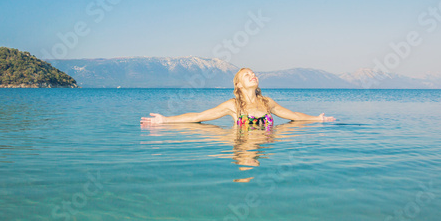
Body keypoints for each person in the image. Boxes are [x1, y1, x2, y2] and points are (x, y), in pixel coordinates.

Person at [140, 67, 336, 125]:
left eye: (254, 73)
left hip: (266, 146)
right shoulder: (233, 106)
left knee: (291, 130)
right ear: (238, 84)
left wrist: (318, 119)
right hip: (240, 144)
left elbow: (293, 115)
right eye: (247, 75)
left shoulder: (267, 102)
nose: (253, 75)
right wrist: (165, 120)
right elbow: (198, 116)